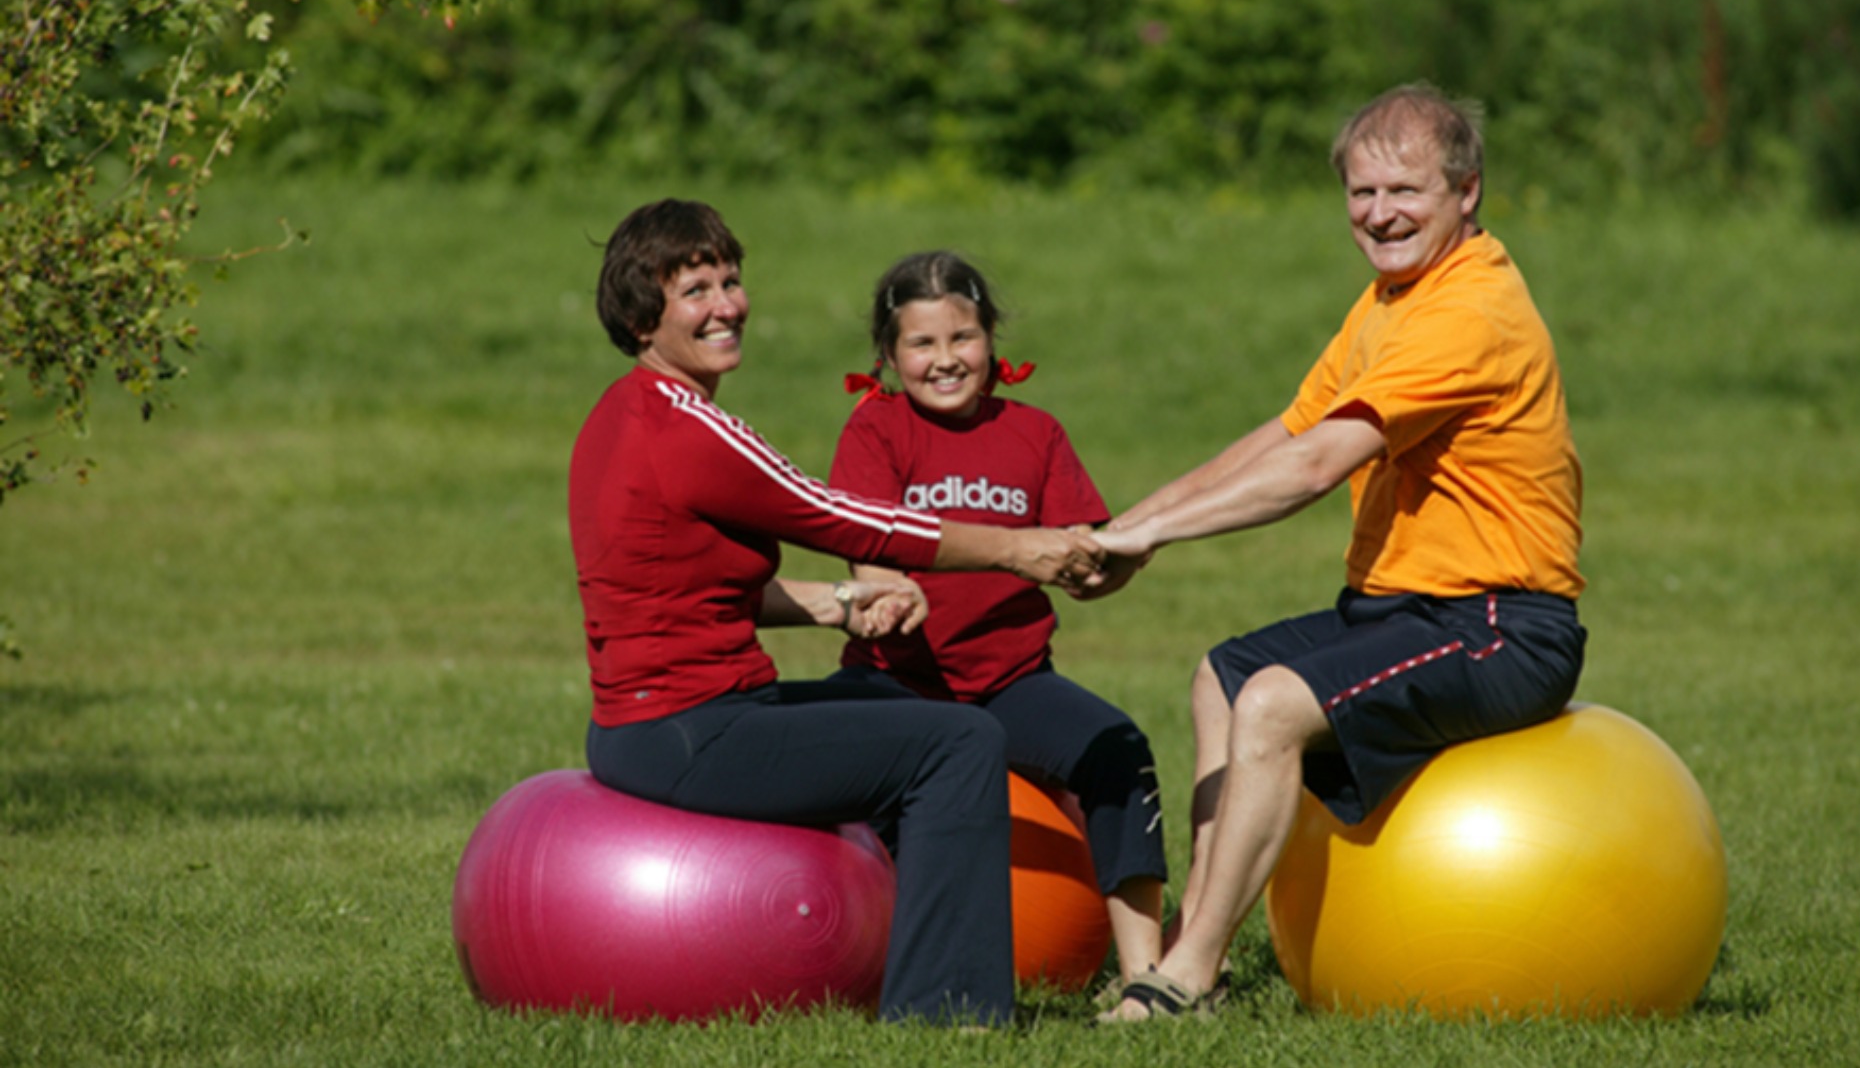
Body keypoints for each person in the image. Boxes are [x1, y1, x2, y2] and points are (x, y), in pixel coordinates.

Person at [1084, 84, 1588, 1020]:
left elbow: (1316, 466)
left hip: (1502, 627)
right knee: (1223, 678)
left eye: (1406, 191)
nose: (1380, 214)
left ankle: (1185, 978)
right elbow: (1289, 431)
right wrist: (1130, 526)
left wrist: (1151, 534)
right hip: (1405, 610)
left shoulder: (1469, 311)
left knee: (1272, 702)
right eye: (1363, 193)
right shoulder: (1390, 300)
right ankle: (1197, 940)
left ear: (1467, 191)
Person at [569, 199, 1104, 1027]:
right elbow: (843, 518)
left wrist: (838, 602)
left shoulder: (620, 412)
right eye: (695, 292)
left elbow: (675, 591)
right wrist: (1013, 548)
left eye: (730, 281)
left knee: (895, 713)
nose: (726, 306)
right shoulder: (690, 428)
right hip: (693, 731)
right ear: (643, 318)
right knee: (960, 741)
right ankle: (947, 1016)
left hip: (646, 728)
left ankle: (881, 950)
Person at [825, 251, 1169, 987]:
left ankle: (1147, 975)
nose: (946, 359)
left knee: (1118, 749)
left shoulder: (1035, 433)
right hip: (898, 688)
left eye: (964, 337)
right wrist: (887, 594)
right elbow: (868, 556)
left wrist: (1119, 556)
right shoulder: (875, 432)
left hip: (1011, 684)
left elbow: (1083, 568)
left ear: (990, 340)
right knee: (833, 781)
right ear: (889, 355)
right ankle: (861, 962)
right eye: (922, 343)